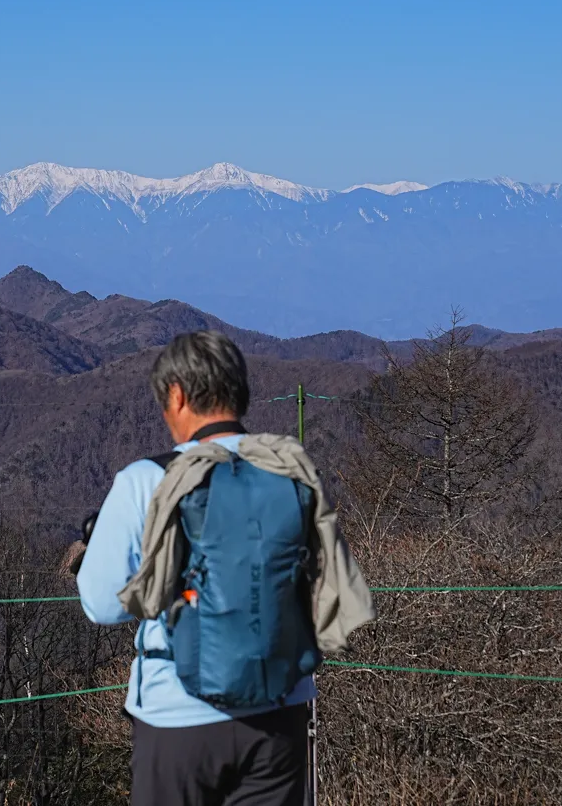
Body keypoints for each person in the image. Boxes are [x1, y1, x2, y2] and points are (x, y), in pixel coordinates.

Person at [76, 330, 371, 806]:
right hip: (282, 708)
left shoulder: (146, 480)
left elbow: (100, 603)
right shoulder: (290, 472)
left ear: (177, 395)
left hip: (177, 714)